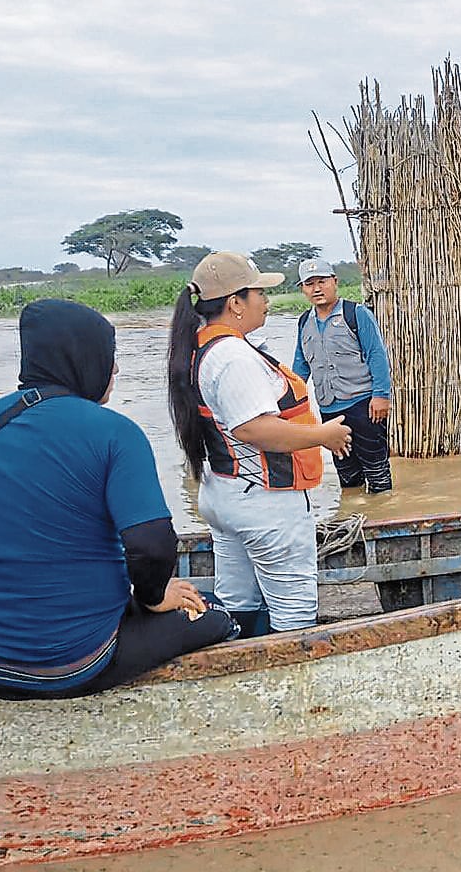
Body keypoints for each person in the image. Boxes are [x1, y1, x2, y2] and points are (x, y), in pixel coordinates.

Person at [0, 300, 237, 699]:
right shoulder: (116, 433)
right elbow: (150, 546)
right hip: (74, 663)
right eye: (109, 358)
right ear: (85, 360)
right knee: (213, 612)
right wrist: (153, 598)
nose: (114, 370)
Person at [167, 252, 352, 636]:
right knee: (294, 607)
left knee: (238, 597)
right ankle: (292, 675)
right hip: (264, 502)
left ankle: (240, 656)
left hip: (225, 494)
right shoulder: (233, 356)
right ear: (235, 303)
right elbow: (255, 429)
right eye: (258, 293)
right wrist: (324, 435)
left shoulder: (202, 348)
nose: (266, 301)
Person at [292, 258, 394, 493]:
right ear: (303, 289)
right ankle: (351, 511)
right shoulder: (304, 322)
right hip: (329, 407)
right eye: (310, 284)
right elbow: (301, 364)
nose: (317, 289)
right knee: (345, 470)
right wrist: (290, 400)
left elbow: (376, 355)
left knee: (376, 467)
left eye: (322, 281)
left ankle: (383, 509)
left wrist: (381, 396)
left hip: (363, 403)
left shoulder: (355, 313)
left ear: (334, 282)